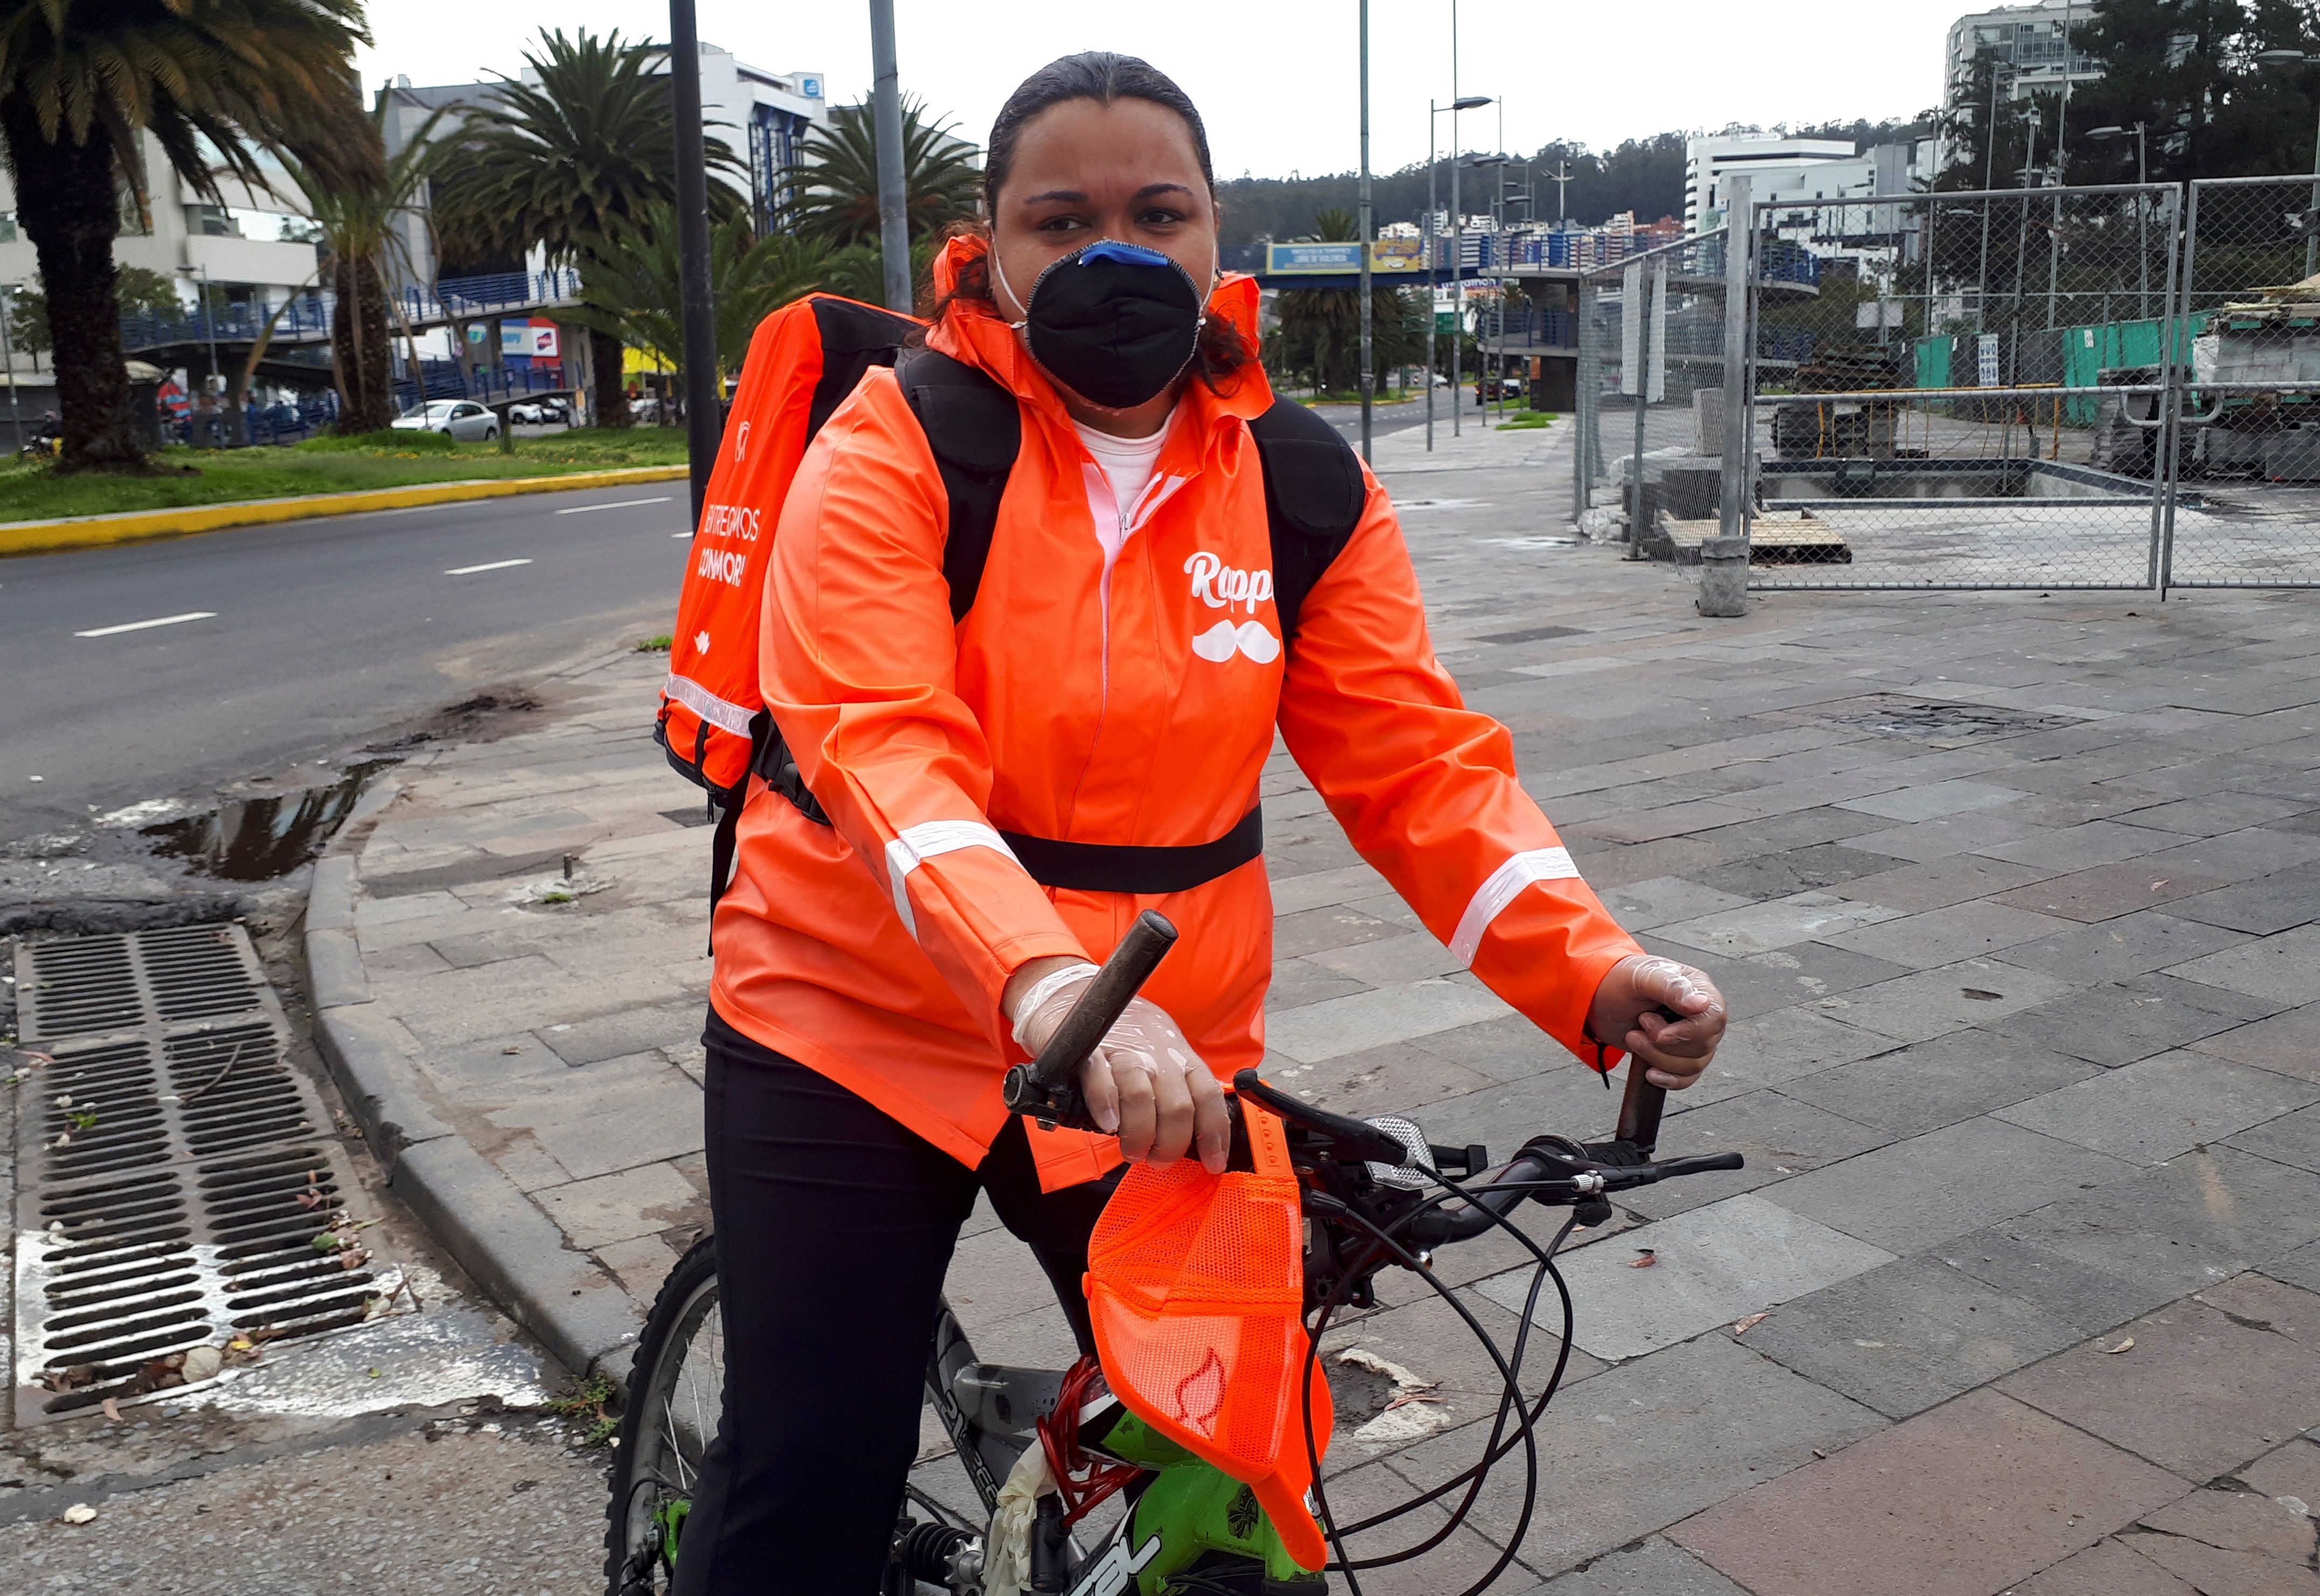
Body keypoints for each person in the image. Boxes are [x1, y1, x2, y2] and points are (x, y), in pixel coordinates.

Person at [679, 51, 1728, 1595]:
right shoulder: (893, 448)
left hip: (1157, 1056)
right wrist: (1042, 985)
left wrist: (1589, 968)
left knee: (1232, 1470)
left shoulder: (1300, 482)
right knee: (808, 1472)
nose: (1115, 249)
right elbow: (884, 751)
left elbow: (1418, 765)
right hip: (854, 1019)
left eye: (1156, 211)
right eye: (1062, 219)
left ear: (1214, 236)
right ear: (988, 243)